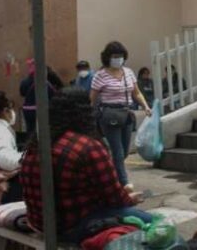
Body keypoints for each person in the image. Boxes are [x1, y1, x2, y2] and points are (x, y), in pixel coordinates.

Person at [20, 88, 152, 242]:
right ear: (86, 114)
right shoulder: (87, 147)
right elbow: (115, 198)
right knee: (152, 221)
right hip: (73, 227)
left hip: (39, 223)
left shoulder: (36, 144)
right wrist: (130, 198)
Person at [90, 41, 152, 188]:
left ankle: (108, 175)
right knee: (117, 151)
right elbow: (92, 98)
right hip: (109, 115)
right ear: (107, 57)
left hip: (127, 114)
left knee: (124, 152)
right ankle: (124, 183)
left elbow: (136, 92)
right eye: (115, 56)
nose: (118, 59)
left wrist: (146, 106)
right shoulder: (100, 75)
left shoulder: (128, 72)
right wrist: (87, 115)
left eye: (120, 56)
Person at [19, 62, 64, 135]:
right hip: (42, 109)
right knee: (44, 131)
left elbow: (22, 93)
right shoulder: (45, 82)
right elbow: (53, 94)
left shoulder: (24, 81)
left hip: (27, 109)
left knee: (30, 129)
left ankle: (31, 141)